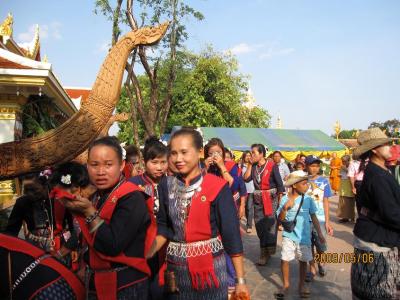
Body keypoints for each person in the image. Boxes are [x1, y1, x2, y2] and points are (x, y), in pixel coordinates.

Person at [148, 128, 249, 299]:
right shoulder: (166, 185)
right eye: (173, 153)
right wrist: (147, 253)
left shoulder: (217, 186)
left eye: (184, 152)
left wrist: (240, 280)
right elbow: (164, 227)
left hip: (211, 270)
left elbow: (231, 235)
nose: (178, 159)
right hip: (176, 270)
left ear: (200, 152)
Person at [58, 136, 151, 300]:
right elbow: (86, 234)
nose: (100, 172)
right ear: (87, 166)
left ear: (122, 165)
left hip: (126, 286)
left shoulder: (132, 197)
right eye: (94, 165)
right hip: (95, 280)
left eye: (108, 165)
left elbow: (112, 245)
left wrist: (89, 212)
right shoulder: (97, 195)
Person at [350, 128, 400, 299]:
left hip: (373, 235)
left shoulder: (382, 170)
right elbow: (390, 214)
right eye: (385, 144)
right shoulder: (377, 175)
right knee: (378, 291)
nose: (391, 146)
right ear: (374, 149)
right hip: (376, 241)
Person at [6, 170, 78, 268]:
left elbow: (74, 227)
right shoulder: (22, 203)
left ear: (45, 185)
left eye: (34, 189)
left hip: (63, 248)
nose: (30, 194)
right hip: (35, 252)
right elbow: (11, 232)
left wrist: (73, 247)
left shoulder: (60, 199)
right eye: (27, 190)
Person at [276, 171, 326, 299]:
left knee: (303, 261)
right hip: (289, 235)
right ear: (294, 185)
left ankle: (301, 284)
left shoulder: (308, 199)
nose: (307, 186)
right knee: (285, 259)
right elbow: (280, 219)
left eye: (307, 183)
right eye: (304, 184)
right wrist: (284, 209)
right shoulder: (285, 199)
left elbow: (314, 216)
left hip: (304, 237)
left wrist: (320, 233)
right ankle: (286, 284)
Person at [129, 136, 168, 300]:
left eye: (163, 162)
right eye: (154, 162)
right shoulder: (133, 183)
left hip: (167, 244)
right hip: (142, 244)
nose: (159, 167)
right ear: (144, 162)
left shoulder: (172, 183)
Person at [243, 144, 285, 266]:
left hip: (271, 200)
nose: (251, 155)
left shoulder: (272, 165)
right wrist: (250, 164)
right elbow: (246, 179)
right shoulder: (254, 166)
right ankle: (264, 250)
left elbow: (280, 185)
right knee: (260, 226)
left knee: (270, 226)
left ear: (261, 154)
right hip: (258, 200)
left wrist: (280, 203)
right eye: (251, 153)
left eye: (254, 153)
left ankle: (265, 253)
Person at [304, 155, 333, 280]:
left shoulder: (324, 181)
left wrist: (328, 221)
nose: (315, 168)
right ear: (307, 166)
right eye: (312, 165)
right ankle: (312, 268)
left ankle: (322, 262)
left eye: (317, 165)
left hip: (320, 219)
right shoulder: (302, 180)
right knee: (308, 244)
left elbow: (326, 201)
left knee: (321, 244)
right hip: (305, 219)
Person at [336, 155, 356, 223]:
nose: (343, 162)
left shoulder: (352, 165)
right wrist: (340, 174)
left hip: (349, 184)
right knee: (343, 201)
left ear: (348, 160)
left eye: (344, 161)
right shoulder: (342, 166)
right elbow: (341, 174)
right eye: (342, 161)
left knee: (349, 201)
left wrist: (345, 169)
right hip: (343, 184)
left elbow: (352, 174)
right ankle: (344, 217)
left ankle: (351, 217)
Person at [241, 151, 255, 234]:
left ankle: (249, 226)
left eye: (249, 155)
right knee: (245, 207)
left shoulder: (253, 166)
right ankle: (248, 221)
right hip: (243, 190)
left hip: (251, 190)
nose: (248, 157)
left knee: (249, 207)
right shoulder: (240, 166)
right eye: (246, 156)